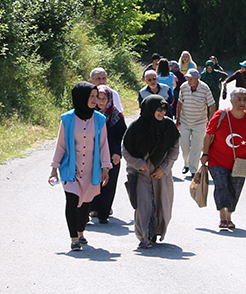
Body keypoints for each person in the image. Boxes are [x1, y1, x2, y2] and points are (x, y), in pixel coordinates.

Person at [49, 82, 114, 252]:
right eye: (91, 96)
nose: (95, 100)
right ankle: (73, 238)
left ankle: (81, 231)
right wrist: (54, 168)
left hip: (90, 169)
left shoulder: (99, 119)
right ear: (81, 97)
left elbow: (103, 145)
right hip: (71, 168)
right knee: (72, 201)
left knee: (85, 202)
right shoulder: (67, 119)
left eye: (96, 96)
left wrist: (105, 168)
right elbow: (61, 145)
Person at [122, 94, 180, 249]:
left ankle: (157, 231)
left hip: (161, 174)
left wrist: (163, 168)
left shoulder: (169, 126)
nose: (162, 112)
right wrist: (139, 164)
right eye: (158, 109)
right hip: (141, 173)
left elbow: (174, 150)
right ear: (149, 109)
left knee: (163, 204)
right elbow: (126, 150)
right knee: (144, 205)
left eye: (164, 109)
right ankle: (144, 236)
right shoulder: (136, 127)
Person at [200, 85, 246, 230]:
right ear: (231, 101)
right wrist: (205, 154)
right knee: (221, 186)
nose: (242, 102)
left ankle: (229, 215)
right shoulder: (221, 115)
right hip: (217, 159)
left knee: (236, 189)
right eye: (238, 99)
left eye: (244, 99)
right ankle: (223, 217)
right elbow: (209, 135)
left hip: (240, 162)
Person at [88, 84, 128, 224]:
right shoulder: (89, 113)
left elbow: (121, 136)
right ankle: (93, 208)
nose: (101, 101)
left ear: (109, 99)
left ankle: (104, 212)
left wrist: (118, 153)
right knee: (93, 180)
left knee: (109, 183)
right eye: (98, 98)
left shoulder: (115, 115)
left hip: (111, 153)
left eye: (104, 98)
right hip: (92, 153)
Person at [176, 66, 217, 176]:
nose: (189, 80)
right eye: (188, 78)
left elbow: (212, 105)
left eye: (191, 78)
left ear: (197, 78)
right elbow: (179, 104)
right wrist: (178, 120)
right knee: (184, 145)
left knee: (196, 146)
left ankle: (193, 169)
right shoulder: (184, 87)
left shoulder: (204, 88)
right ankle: (186, 163)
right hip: (185, 120)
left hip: (199, 121)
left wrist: (211, 122)